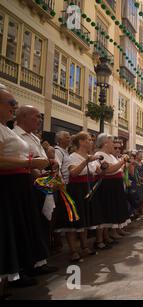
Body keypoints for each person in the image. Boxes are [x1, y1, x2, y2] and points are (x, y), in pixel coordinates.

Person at [0, 86, 53, 289]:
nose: (14, 107)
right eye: (10, 104)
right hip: (9, 187)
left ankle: (28, 265)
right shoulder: (10, 131)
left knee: (25, 228)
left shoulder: (8, 130)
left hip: (23, 185)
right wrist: (30, 164)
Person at [53, 132, 103, 261]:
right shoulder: (73, 156)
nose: (91, 141)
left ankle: (84, 246)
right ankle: (73, 250)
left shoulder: (90, 156)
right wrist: (86, 161)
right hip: (75, 190)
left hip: (87, 189)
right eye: (88, 139)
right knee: (74, 221)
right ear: (81, 142)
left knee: (84, 219)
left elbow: (97, 171)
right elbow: (73, 173)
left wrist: (102, 167)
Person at [95, 134, 131, 245]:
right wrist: (123, 161)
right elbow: (110, 169)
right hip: (107, 186)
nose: (114, 146)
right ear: (105, 143)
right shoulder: (99, 154)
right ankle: (101, 239)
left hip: (114, 185)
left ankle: (107, 235)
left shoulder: (110, 155)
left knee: (110, 211)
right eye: (112, 143)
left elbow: (119, 169)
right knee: (105, 211)